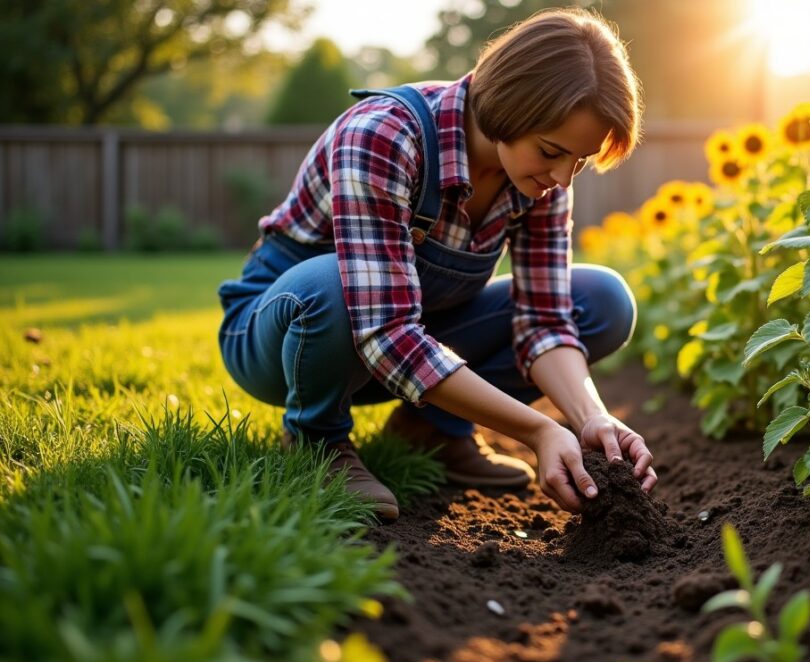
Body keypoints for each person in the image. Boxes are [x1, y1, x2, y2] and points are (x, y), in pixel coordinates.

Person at [216, 8, 656, 521]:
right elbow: (384, 329)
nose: (563, 177)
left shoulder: (541, 181)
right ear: (510, 107)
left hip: (410, 334)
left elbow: (545, 320)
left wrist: (591, 419)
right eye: (552, 151)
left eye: (578, 161)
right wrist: (537, 429)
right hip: (289, 338)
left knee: (601, 302)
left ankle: (431, 430)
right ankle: (317, 440)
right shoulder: (384, 135)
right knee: (335, 284)